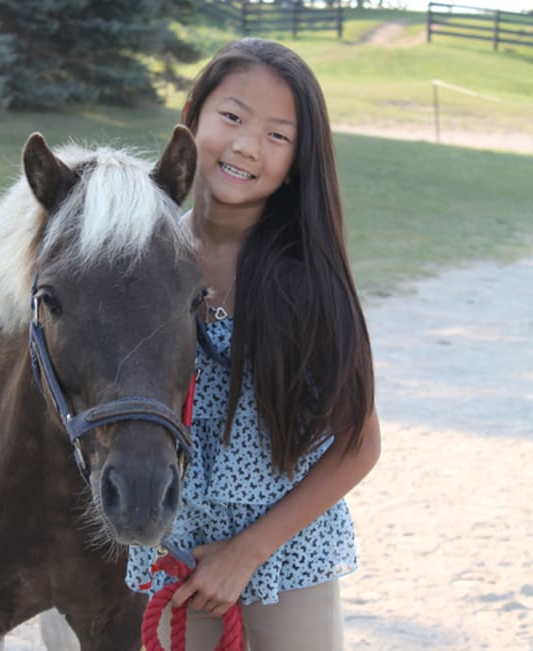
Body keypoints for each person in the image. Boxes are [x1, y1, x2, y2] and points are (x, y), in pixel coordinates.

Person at [127, 37, 381, 650]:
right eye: (233, 117)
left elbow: (360, 442)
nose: (245, 145)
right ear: (191, 120)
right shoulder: (139, 262)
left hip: (285, 560)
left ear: (297, 160)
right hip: (172, 561)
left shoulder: (306, 279)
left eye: (278, 135)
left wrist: (245, 554)